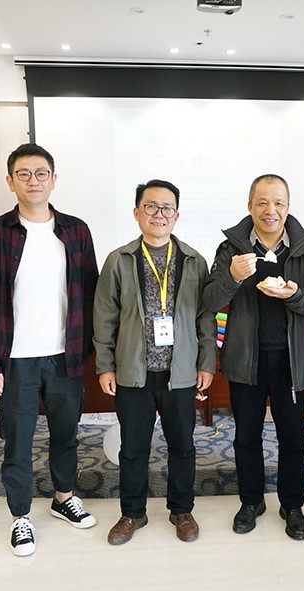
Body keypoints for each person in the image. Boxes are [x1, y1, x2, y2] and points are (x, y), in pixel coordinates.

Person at [0, 143, 99, 557]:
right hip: (15, 359)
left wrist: (93, 352)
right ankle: (20, 516)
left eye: (41, 173)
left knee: (66, 434)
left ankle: (64, 498)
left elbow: (92, 295)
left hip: (66, 354)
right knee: (18, 439)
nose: (33, 181)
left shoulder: (76, 230)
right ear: (10, 182)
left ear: (53, 180)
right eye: (23, 174)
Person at [203, 174, 304, 541]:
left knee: (294, 437)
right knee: (246, 435)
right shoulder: (231, 248)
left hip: (292, 360)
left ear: (288, 207)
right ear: (249, 207)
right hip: (246, 358)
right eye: (262, 202)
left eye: (278, 202)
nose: (270, 210)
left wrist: (295, 295)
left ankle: (292, 505)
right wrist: (231, 277)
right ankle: (251, 501)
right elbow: (210, 300)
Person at [94, 179, 216, 545]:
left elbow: (205, 317)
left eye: (166, 208)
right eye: (150, 206)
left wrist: (206, 362)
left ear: (176, 216)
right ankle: (133, 512)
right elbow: (105, 316)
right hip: (134, 371)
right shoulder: (119, 260)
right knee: (133, 447)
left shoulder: (194, 260)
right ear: (137, 212)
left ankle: (181, 510)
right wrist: (105, 364)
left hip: (180, 371)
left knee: (183, 445)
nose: (158, 214)